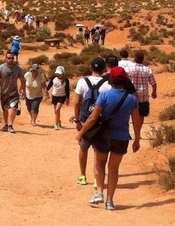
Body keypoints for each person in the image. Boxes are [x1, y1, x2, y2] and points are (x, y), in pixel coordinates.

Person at [75, 67, 141, 210]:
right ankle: (110, 201)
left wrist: (81, 133)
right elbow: (136, 121)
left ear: (111, 80)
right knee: (114, 168)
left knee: (99, 163)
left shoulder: (104, 96)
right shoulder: (132, 99)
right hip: (122, 138)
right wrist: (137, 139)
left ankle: (99, 192)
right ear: (125, 81)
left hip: (103, 136)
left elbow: (93, 118)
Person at [72, 57, 109, 186]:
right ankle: (96, 178)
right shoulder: (107, 83)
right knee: (97, 150)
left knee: (83, 148)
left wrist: (77, 120)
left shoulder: (82, 82)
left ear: (91, 68)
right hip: (100, 121)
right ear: (104, 68)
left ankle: (82, 176)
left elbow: (77, 103)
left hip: (85, 121)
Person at [0, 52, 26, 133]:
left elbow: (22, 80)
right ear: (5, 58)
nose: (11, 60)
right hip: (3, 92)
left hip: (14, 92)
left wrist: (24, 91)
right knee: (5, 110)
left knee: (13, 108)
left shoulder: (18, 68)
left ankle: (10, 125)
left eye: (12, 58)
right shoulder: (0, 68)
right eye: (9, 58)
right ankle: (6, 124)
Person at [128, 50, 158, 124]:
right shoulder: (147, 70)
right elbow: (153, 83)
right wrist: (154, 92)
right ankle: (138, 133)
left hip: (131, 96)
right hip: (143, 97)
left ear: (134, 59)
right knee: (141, 115)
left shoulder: (129, 69)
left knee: (129, 114)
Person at [50, 65, 70, 129]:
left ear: (63, 73)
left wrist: (67, 98)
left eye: (60, 73)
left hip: (62, 97)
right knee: (55, 111)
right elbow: (50, 84)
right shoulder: (54, 77)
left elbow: (67, 89)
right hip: (54, 96)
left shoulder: (66, 79)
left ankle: (56, 125)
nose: (58, 74)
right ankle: (58, 121)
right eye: (57, 73)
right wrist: (46, 90)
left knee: (57, 110)